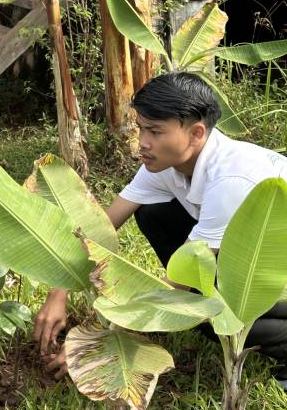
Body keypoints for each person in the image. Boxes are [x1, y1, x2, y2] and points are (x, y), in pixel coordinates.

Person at [32, 72, 287, 389]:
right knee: (154, 214)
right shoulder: (165, 163)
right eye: (141, 128)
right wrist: (58, 294)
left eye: (155, 131)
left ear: (195, 133)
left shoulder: (232, 182)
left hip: (278, 268)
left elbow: (180, 284)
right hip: (251, 254)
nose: (143, 142)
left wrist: (101, 348)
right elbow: (102, 225)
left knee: (211, 314)